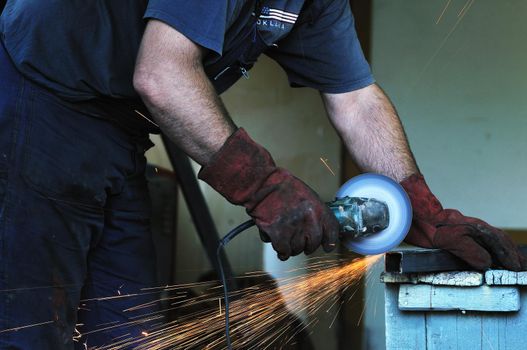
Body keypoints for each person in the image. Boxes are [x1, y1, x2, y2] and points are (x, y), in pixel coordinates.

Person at [0, 0, 524, 348]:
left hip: (118, 132)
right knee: (29, 327)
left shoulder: (316, 3)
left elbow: (356, 99)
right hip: (34, 99)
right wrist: (264, 186)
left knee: (130, 334)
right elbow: (161, 74)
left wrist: (421, 208)